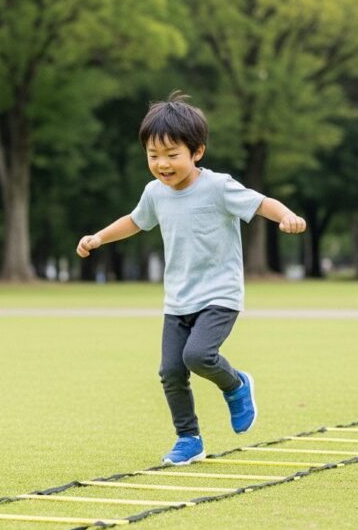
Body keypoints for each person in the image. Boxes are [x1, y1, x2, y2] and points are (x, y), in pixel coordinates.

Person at [75, 92, 306, 465]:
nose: (162, 164)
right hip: (178, 298)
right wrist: (99, 237)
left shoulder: (218, 187)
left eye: (172, 155)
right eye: (153, 156)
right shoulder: (155, 192)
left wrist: (287, 216)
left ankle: (237, 385)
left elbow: (261, 202)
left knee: (198, 355)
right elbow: (135, 221)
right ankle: (188, 438)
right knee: (170, 370)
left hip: (219, 294)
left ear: (197, 152)